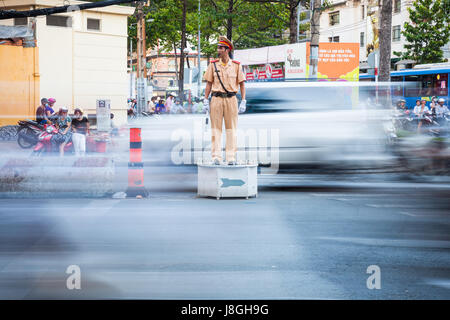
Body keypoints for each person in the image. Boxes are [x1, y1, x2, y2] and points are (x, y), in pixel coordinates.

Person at [203, 35, 246, 165]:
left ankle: (231, 157)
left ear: (227, 50)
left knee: (231, 129)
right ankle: (216, 156)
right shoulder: (213, 65)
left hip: (231, 99)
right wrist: (205, 99)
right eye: (218, 47)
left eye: (221, 48)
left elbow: (242, 84)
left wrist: (243, 100)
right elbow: (209, 84)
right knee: (216, 129)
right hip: (216, 99)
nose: (218, 50)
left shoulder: (236, 66)